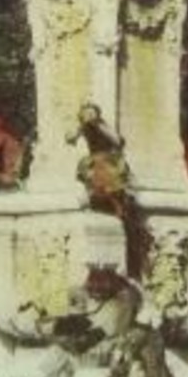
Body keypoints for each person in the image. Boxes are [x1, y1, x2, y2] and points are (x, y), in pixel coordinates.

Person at [69, 102, 152, 277]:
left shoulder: (102, 127)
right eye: (86, 114)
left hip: (109, 163)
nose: (89, 117)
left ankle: (119, 209)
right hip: (100, 164)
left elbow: (118, 141)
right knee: (103, 186)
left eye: (92, 113)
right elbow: (69, 138)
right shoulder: (84, 128)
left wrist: (99, 126)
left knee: (115, 192)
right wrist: (79, 129)